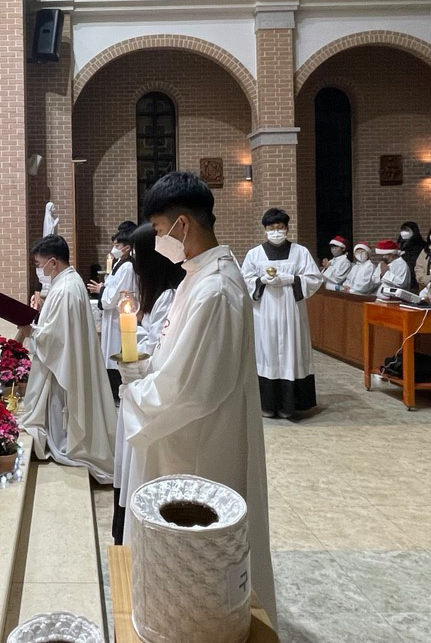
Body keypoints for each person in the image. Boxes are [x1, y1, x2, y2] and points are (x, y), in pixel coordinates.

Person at [118, 172, 276, 623]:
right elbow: (178, 355)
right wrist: (145, 366)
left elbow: (192, 390)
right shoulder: (196, 275)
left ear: (182, 224)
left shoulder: (216, 289)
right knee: (174, 565)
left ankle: (193, 621)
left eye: (160, 229)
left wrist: (135, 392)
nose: (158, 240)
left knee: (195, 560)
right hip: (182, 433)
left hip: (197, 444)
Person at [18, 235, 117, 482]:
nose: (39, 269)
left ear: (53, 262)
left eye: (39, 264)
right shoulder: (70, 281)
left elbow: (55, 338)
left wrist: (31, 331)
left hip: (63, 366)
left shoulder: (64, 289)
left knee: (59, 408)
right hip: (70, 359)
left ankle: (64, 442)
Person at [112, 223, 185, 545]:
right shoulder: (162, 294)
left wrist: (134, 329)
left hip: (147, 391)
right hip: (137, 388)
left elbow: (156, 350)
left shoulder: (170, 296)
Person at [242, 208, 323, 418]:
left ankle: (290, 405)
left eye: (280, 227)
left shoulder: (300, 252)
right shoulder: (254, 254)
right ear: (265, 230)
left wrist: (293, 279)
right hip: (265, 313)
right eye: (271, 228)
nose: (276, 232)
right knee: (266, 352)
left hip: (291, 313)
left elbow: (315, 278)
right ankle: (267, 404)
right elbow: (244, 281)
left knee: (291, 352)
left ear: (287, 228)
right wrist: (261, 281)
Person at [87, 221, 138, 401]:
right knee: (109, 352)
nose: (113, 249)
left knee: (115, 351)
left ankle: (117, 391)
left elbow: (116, 294)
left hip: (119, 317)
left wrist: (101, 289)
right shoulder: (119, 264)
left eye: (117, 245)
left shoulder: (128, 266)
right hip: (111, 317)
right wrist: (103, 287)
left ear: (127, 248)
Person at [398, 221, 427, 286]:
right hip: (402, 276)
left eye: (407, 230)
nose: (404, 232)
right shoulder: (400, 245)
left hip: (415, 278)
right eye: (403, 230)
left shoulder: (421, 245)